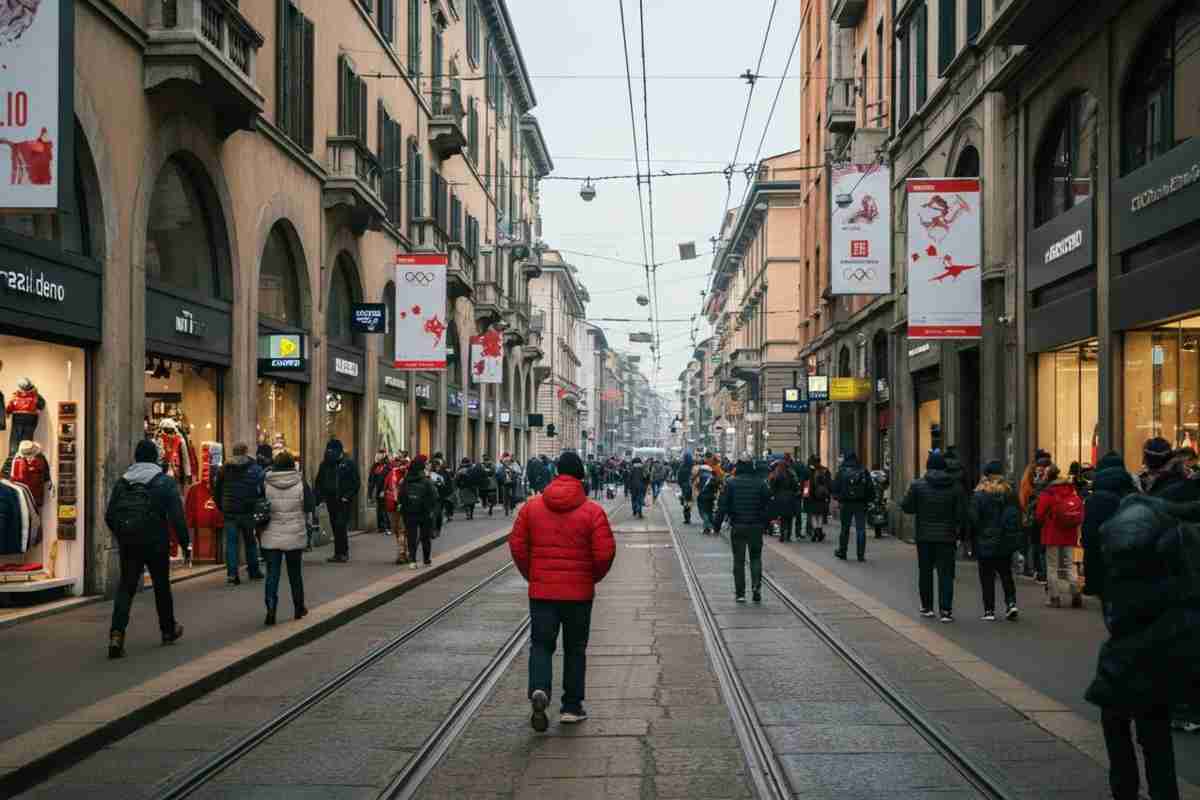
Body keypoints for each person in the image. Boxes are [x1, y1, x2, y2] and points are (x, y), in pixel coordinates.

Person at [1086, 493, 1200, 800]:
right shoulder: (1169, 561)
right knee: (1155, 736)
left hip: (1120, 659)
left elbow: (1113, 614)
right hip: (1159, 657)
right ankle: (1163, 793)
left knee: (1115, 724)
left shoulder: (1119, 561)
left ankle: (1124, 790)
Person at [510, 451, 616, 731]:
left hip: (542, 593)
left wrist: (532, 575)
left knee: (541, 645)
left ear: (556, 473)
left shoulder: (531, 508)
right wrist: (590, 577)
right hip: (578, 595)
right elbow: (605, 553)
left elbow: (518, 546)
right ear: (581, 476)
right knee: (575, 649)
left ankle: (539, 689)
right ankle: (571, 706)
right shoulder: (593, 511)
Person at [106, 440, 189, 658]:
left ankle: (116, 634)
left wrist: (123, 533)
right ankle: (168, 629)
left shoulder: (122, 482)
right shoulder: (165, 482)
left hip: (130, 543)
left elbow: (110, 515)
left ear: (135, 457)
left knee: (126, 588)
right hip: (156, 543)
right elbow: (177, 517)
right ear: (155, 457)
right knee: (161, 586)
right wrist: (185, 543)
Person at [900, 451, 966, 623]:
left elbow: (907, 507)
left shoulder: (918, 485)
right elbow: (961, 514)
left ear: (928, 466)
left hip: (924, 537)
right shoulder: (955, 487)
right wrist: (959, 533)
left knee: (925, 572)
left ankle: (927, 607)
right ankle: (946, 610)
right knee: (946, 574)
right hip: (947, 537)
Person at [259, 450, 314, 626]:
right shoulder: (300, 482)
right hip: (294, 533)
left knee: (272, 574)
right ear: (292, 465)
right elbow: (310, 505)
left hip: (271, 533)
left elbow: (259, 505)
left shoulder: (266, 481)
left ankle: (271, 609)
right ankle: (299, 608)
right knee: (294, 573)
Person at [714, 453, 772, 603]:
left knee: (738, 560)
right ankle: (756, 587)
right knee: (755, 558)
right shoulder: (760, 483)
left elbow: (723, 505)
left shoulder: (731, 483)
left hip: (738, 526)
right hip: (756, 526)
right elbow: (768, 504)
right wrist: (766, 522)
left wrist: (717, 525)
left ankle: (740, 593)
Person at [968, 461, 1022, 621]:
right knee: (1006, 574)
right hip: (1004, 540)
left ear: (985, 476)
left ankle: (989, 610)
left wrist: (974, 536)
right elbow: (1017, 516)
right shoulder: (1009, 493)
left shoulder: (979, 495)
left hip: (985, 540)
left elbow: (973, 519)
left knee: (986, 576)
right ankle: (1011, 603)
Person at [1081, 451, 1137, 602]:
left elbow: (1089, 536)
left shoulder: (1095, 498)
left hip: (1101, 550)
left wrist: (1090, 582)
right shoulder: (1131, 493)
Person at [213, 442, 264, 585]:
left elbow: (216, 491)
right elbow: (260, 488)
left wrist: (222, 506)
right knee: (250, 542)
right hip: (248, 510)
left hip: (230, 511)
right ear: (246, 451)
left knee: (231, 543)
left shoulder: (224, 468)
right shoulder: (254, 468)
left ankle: (232, 575)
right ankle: (254, 571)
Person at [1035, 464, 1085, 609]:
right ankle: (1076, 595)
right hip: (1069, 532)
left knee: (1052, 567)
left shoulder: (1048, 493)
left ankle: (1054, 598)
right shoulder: (1071, 490)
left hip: (1052, 534)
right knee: (1070, 564)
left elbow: (1039, 515)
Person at [315, 438, 360, 563]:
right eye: (328, 449)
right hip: (331, 500)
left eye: (332, 450)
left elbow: (356, 482)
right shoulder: (324, 464)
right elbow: (319, 481)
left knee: (340, 525)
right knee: (335, 526)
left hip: (343, 500)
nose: (329, 452)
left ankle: (343, 552)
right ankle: (337, 553)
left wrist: (347, 496)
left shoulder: (348, 464)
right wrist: (319, 497)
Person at [400, 455, 440, 569]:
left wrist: (404, 508)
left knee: (411, 537)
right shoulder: (426, 480)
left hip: (409, 513)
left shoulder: (406, 480)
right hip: (425, 512)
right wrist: (431, 509)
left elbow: (401, 496)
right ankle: (426, 560)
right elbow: (435, 496)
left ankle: (412, 561)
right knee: (425, 537)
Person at [832, 451, 874, 561]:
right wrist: (869, 500)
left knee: (845, 528)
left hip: (846, 504)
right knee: (861, 529)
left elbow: (835, 487)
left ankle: (843, 551)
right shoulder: (863, 470)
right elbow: (870, 487)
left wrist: (837, 499)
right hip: (860, 503)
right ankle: (860, 555)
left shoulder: (842, 471)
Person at [1019, 449, 1052, 582]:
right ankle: (1044, 571)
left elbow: (1025, 493)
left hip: (1034, 512)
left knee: (1034, 543)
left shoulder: (1031, 471)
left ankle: (1036, 570)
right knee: (1043, 545)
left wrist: (1026, 509)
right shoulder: (1050, 471)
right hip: (1048, 513)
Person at [383, 457, 410, 565]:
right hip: (402, 506)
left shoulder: (391, 474)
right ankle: (405, 553)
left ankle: (402, 554)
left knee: (399, 531)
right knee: (402, 531)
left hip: (394, 506)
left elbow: (385, 487)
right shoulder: (409, 475)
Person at [768, 459, 799, 542]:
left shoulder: (776, 475)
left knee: (781, 518)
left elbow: (772, 488)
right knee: (789, 518)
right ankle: (788, 535)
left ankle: (782, 536)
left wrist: (774, 495)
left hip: (780, 498)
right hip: (790, 498)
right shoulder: (791, 474)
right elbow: (796, 487)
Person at [804, 455, 832, 542]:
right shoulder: (825, 470)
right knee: (820, 515)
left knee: (813, 515)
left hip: (811, 496)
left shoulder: (809, 471)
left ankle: (815, 532)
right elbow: (829, 484)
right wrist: (828, 495)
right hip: (822, 497)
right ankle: (819, 531)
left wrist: (805, 495)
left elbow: (806, 484)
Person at [368, 449, 392, 533]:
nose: (378, 455)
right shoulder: (375, 466)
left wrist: (384, 490)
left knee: (385, 509)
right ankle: (380, 527)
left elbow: (389, 479)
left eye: (381, 454)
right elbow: (371, 481)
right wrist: (370, 494)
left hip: (385, 490)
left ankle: (387, 527)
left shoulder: (388, 466)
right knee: (379, 508)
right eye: (378, 453)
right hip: (377, 490)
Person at [695, 464, 718, 534]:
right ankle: (712, 527)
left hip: (702, 496)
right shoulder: (713, 477)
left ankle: (708, 527)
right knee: (710, 512)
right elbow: (716, 488)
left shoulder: (700, 476)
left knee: (703, 512)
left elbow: (697, 485)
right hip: (711, 497)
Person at [677, 452, 695, 524]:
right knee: (689, 501)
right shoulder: (693, 466)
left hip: (685, 486)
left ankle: (687, 518)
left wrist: (681, 484)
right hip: (693, 486)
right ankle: (688, 516)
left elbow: (679, 478)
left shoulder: (682, 466)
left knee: (686, 501)